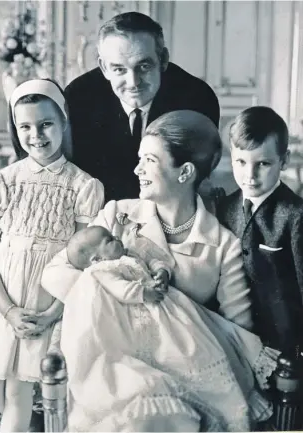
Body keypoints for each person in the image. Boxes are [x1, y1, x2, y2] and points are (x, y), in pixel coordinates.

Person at [44, 123, 279, 432]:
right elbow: (55, 272)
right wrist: (114, 295)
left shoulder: (222, 244)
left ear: (185, 172)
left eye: (149, 161)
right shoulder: (118, 214)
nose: (137, 169)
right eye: (140, 158)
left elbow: (236, 324)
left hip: (185, 367)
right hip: (117, 362)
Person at [0, 79, 104, 432]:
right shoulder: (4, 180)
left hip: (47, 299)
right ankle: (35, 424)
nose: (36, 135)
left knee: (17, 394)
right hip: (1, 296)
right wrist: (7, 309)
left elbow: (85, 260)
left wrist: (54, 313)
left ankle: (22, 421)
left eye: (45, 125)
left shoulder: (83, 186)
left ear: (63, 123)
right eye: (25, 126)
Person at [64, 11, 220, 202]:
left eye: (144, 66)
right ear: (104, 68)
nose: (133, 82)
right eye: (119, 69)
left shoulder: (197, 98)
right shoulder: (78, 98)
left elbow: (193, 181)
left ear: (163, 60)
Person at [216, 106, 303, 356]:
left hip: (283, 343)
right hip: (233, 336)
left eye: (263, 163)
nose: (250, 176)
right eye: (241, 162)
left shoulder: (295, 215)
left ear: (283, 161)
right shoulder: (223, 207)